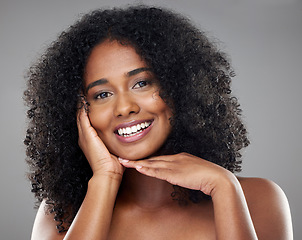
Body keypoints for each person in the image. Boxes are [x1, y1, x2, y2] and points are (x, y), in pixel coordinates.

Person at [24, 5, 293, 240]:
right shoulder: (62, 214)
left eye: (141, 83)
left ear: (180, 88)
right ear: (81, 113)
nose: (125, 107)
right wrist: (104, 179)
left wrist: (223, 188)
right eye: (102, 94)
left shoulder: (256, 198)